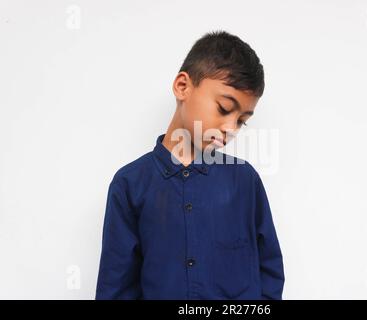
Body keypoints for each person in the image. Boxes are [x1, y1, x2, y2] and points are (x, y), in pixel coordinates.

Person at [95, 30, 284, 300]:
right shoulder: (130, 184)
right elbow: (117, 287)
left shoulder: (245, 181)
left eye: (241, 120)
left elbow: (270, 273)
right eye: (223, 108)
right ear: (183, 87)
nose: (231, 128)